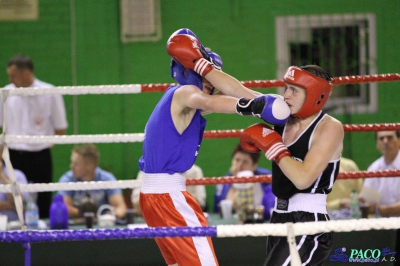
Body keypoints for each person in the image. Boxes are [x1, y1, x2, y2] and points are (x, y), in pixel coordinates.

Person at [138, 28, 290, 266]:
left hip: (153, 197)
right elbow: (212, 102)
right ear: (190, 70)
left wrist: (261, 101)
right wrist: (253, 106)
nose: (211, 85)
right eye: (207, 79)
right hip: (169, 197)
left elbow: (226, 93)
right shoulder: (185, 93)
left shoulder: (179, 100)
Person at [240, 65, 344, 265]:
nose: (286, 95)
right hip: (278, 217)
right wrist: (201, 65)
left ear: (315, 94)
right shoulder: (282, 117)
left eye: (294, 90)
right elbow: (240, 91)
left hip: (308, 222)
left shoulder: (329, 127)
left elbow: (303, 178)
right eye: (286, 87)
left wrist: (273, 146)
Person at [0, 54, 68, 218]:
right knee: (16, 202)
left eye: (13, 74)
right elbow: (2, 127)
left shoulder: (49, 91)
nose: (10, 78)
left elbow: (61, 129)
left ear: (27, 73)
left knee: (43, 201)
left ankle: (45, 242)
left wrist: (40, 145)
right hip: (13, 156)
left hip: (40, 156)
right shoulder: (5, 93)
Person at [58, 144, 127, 219]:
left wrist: (112, 215)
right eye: (72, 162)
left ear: (89, 166)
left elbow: (121, 208)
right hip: (76, 225)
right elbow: (64, 208)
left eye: (76, 164)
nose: (71, 166)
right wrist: (90, 215)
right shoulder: (67, 179)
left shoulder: (107, 179)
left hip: (102, 226)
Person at [213, 144, 271, 213]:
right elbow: (223, 209)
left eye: (245, 162)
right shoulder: (223, 181)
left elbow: (270, 206)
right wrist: (235, 180)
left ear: (254, 166)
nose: (239, 165)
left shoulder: (265, 177)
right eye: (237, 160)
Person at [132, 164, 207, 216]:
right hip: (154, 220)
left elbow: (199, 206)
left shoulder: (194, 171)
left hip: (185, 222)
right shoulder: (146, 171)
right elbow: (138, 208)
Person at [360, 130, 400, 217]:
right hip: (382, 223)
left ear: (399, 140)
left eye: (390, 137)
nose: (385, 141)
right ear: (377, 144)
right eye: (381, 138)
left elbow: (375, 208)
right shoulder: (373, 168)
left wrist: (383, 210)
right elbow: (367, 202)